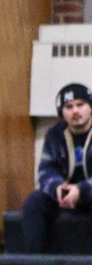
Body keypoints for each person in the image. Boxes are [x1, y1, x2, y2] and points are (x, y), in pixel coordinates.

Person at [21, 82, 92, 254]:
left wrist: (81, 190)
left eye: (80, 105)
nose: (75, 111)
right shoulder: (54, 135)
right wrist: (57, 187)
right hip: (65, 196)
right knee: (34, 201)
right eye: (69, 107)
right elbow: (46, 171)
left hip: (88, 193)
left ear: (90, 108)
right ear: (62, 113)